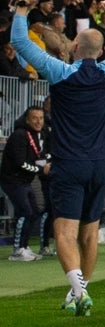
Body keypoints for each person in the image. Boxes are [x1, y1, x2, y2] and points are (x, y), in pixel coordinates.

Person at [9, 0, 105, 314]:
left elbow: (21, 45)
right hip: (99, 163)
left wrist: (23, 8)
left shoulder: (61, 72)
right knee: (90, 232)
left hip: (69, 163)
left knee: (63, 230)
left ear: (76, 48)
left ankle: (79, 292)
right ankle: (78, 292)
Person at [1, 104, 49, 261]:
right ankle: (17, 250)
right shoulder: (19, 135)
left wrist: (47, 161)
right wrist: (41, 170)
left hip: (24, 181)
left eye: (41, 118)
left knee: (34, 212)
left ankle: (24, 246)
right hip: (13, 181)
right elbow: (21, 163)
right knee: (25, 212)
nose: (38, 121)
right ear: (27, 120)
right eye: (35, 118)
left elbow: (37, 158)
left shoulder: (35, 135)